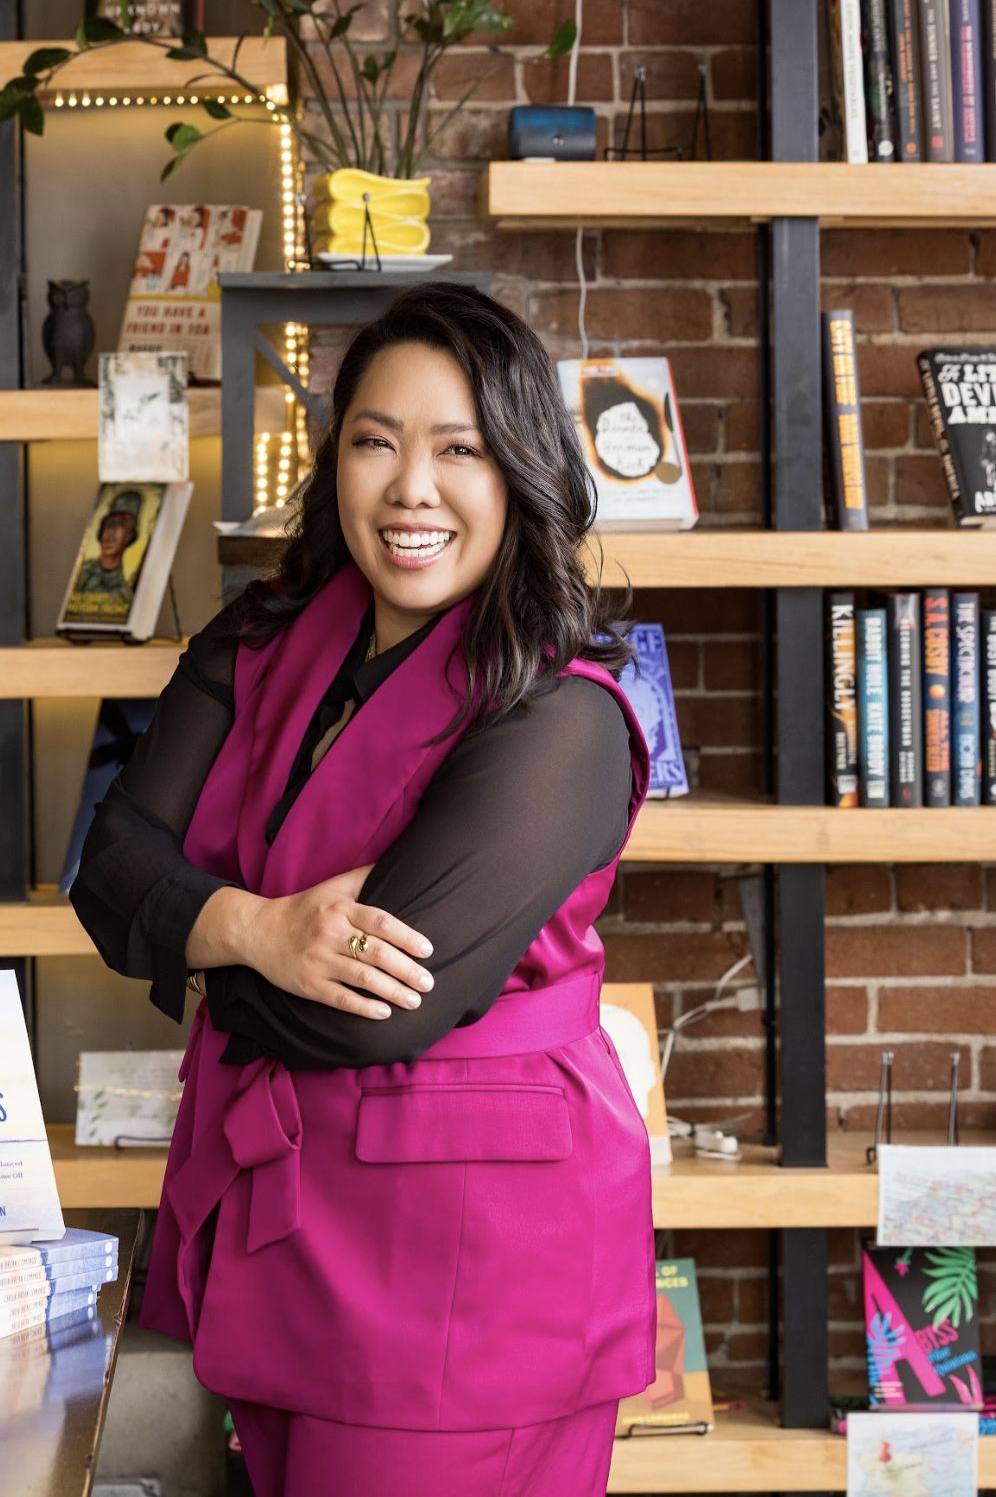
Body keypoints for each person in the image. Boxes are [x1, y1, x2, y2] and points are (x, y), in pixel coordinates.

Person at [71, 283, 656, 1496]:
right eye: (375, 441)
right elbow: (107, 864)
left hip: (465, 1280)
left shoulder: (559, 719)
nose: (411, 489)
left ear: (522, 472)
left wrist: (189, 941)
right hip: (269, 1227)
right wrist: (255, 927)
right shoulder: (263, 634)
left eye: (460, 450)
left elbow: (374, 1007)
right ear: (334, 457)